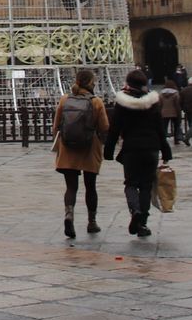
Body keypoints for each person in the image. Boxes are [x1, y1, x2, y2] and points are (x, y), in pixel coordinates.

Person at [103, 69, 171, 238]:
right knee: (146, 186)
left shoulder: (122, 103)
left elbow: (114, 128)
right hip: (151, 148)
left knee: (131, 184)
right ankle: (142, 224)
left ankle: (135, 211)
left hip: (131, 149)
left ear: (129, 83)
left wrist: (108, 150)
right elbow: (160, 129)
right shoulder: (153, 102)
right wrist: (166, 150)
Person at [52, 68, 109, 238]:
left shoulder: (65, 99)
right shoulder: (96, 102)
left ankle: (69, 215)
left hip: (68, 148)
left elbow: (56, 125)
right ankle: (92, 222)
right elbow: (104, 127)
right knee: (90, 186)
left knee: (71, 187)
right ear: (91, 83)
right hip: (89, 148)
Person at [157, 77, 184, 147]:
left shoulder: (161, 93)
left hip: (164, 113)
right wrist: (179, 113)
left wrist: (159, 112)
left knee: (164, 127)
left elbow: (159, 104)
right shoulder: (176, 93)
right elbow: (177, 104)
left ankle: (163, 140)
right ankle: (176, 140)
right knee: (176, 126)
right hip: (174, 112)